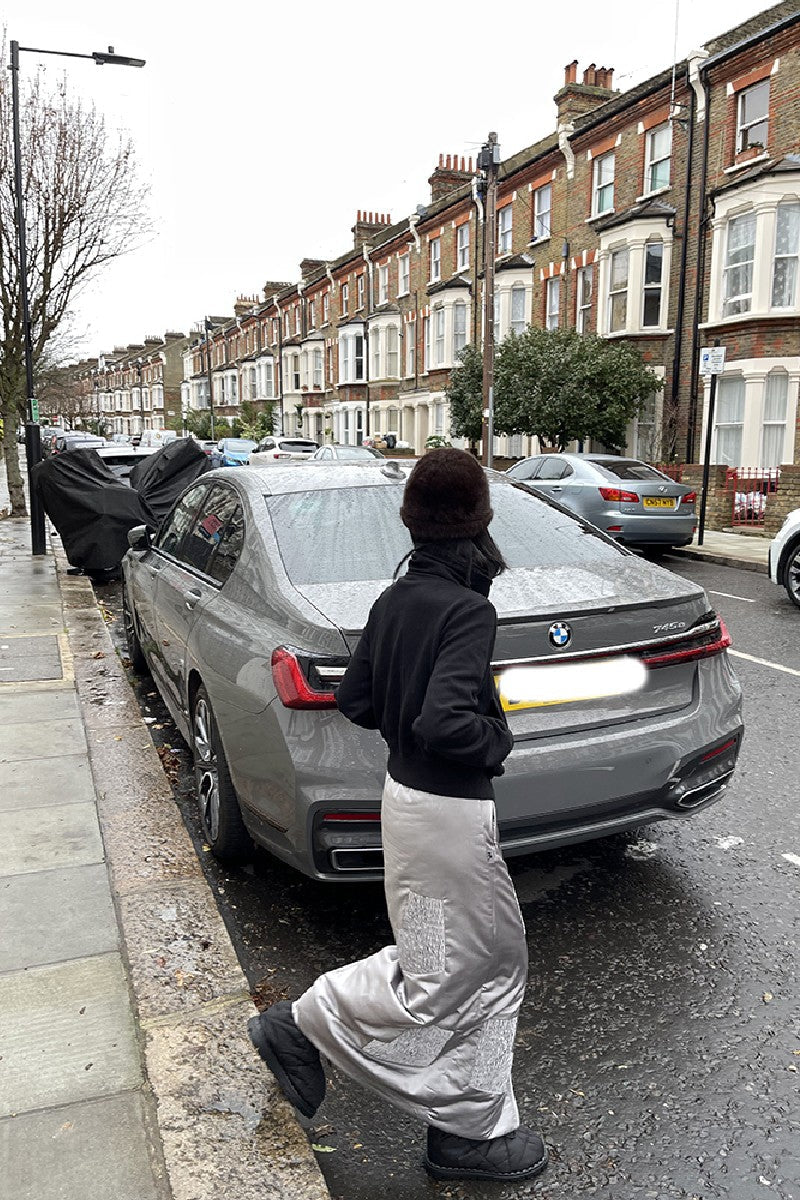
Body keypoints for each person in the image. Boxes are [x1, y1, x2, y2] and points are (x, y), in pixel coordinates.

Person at [248, 448, 547, 1184]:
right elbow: (450, 723)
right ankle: (307, 1028)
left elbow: (358, 701)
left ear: (413, 524)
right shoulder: (468, 609)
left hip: (405, 802)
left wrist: (406, 715)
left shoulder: (395, 599)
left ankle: (466, 1122)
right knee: (472, 968)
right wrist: (495, 738)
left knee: (452, 963)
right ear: (479, 525)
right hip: (448, 812)